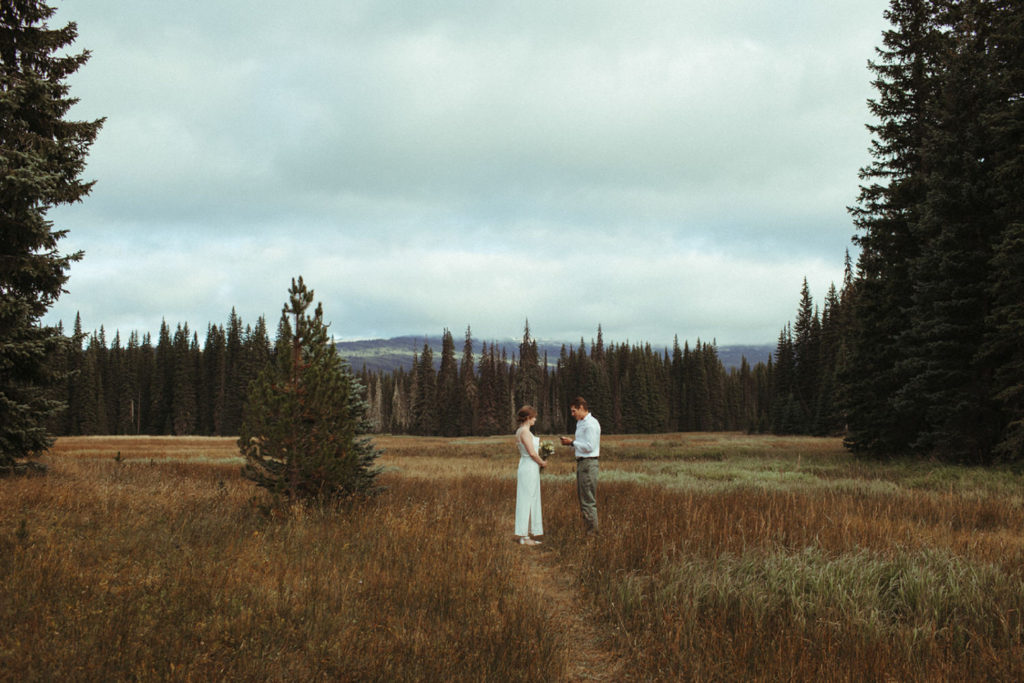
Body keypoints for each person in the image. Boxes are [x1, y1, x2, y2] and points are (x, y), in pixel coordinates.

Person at [560, 396, 600, 534]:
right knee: (584, 499)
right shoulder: (580, 423)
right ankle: (588, 530)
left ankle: (592, 534)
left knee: (588, 500)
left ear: (581, 408)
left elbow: (590, 446)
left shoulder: (591, 424)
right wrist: (571, 444)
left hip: (588, 464)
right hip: (582, 463)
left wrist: (572, 442)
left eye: (573, 411)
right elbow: (582, 445)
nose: (572, 414)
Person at [514, 405, 546, 545]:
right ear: (527, 418)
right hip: (528, 466)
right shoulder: (524, 432)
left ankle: (526, 533)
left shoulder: (522, 431)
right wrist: (542, 463)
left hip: (527, 466)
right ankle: (524, 536)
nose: (535, 419)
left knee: (529, 497)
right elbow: (532, 453)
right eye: (533, 417)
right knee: (527, 498)